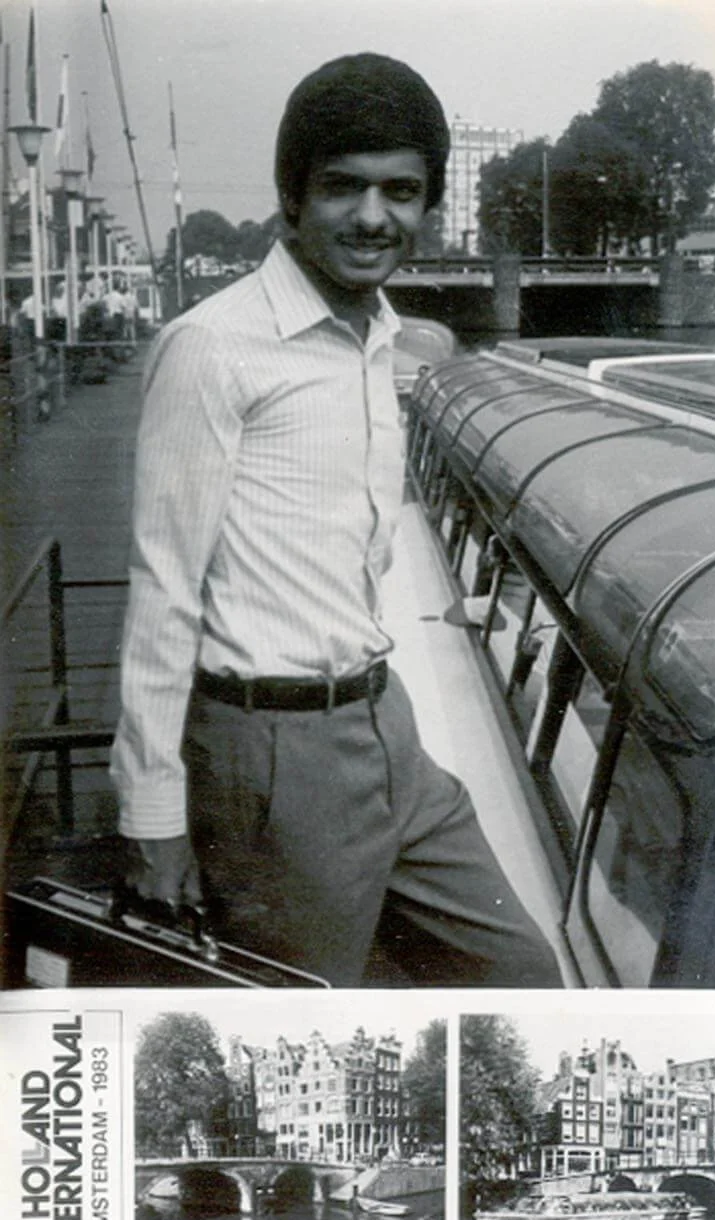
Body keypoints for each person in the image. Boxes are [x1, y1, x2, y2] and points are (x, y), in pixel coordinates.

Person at [109, 52, 562, 988]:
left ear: (428, 205)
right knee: (305, 1014)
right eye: (342, 188)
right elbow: (163, 590)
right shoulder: (212, 349)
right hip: (271, 757)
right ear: (292, 198)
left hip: (384, 726)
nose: (372, 217)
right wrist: (151, 813)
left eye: (400, 191)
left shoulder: (381, 336)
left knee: (519, 977)